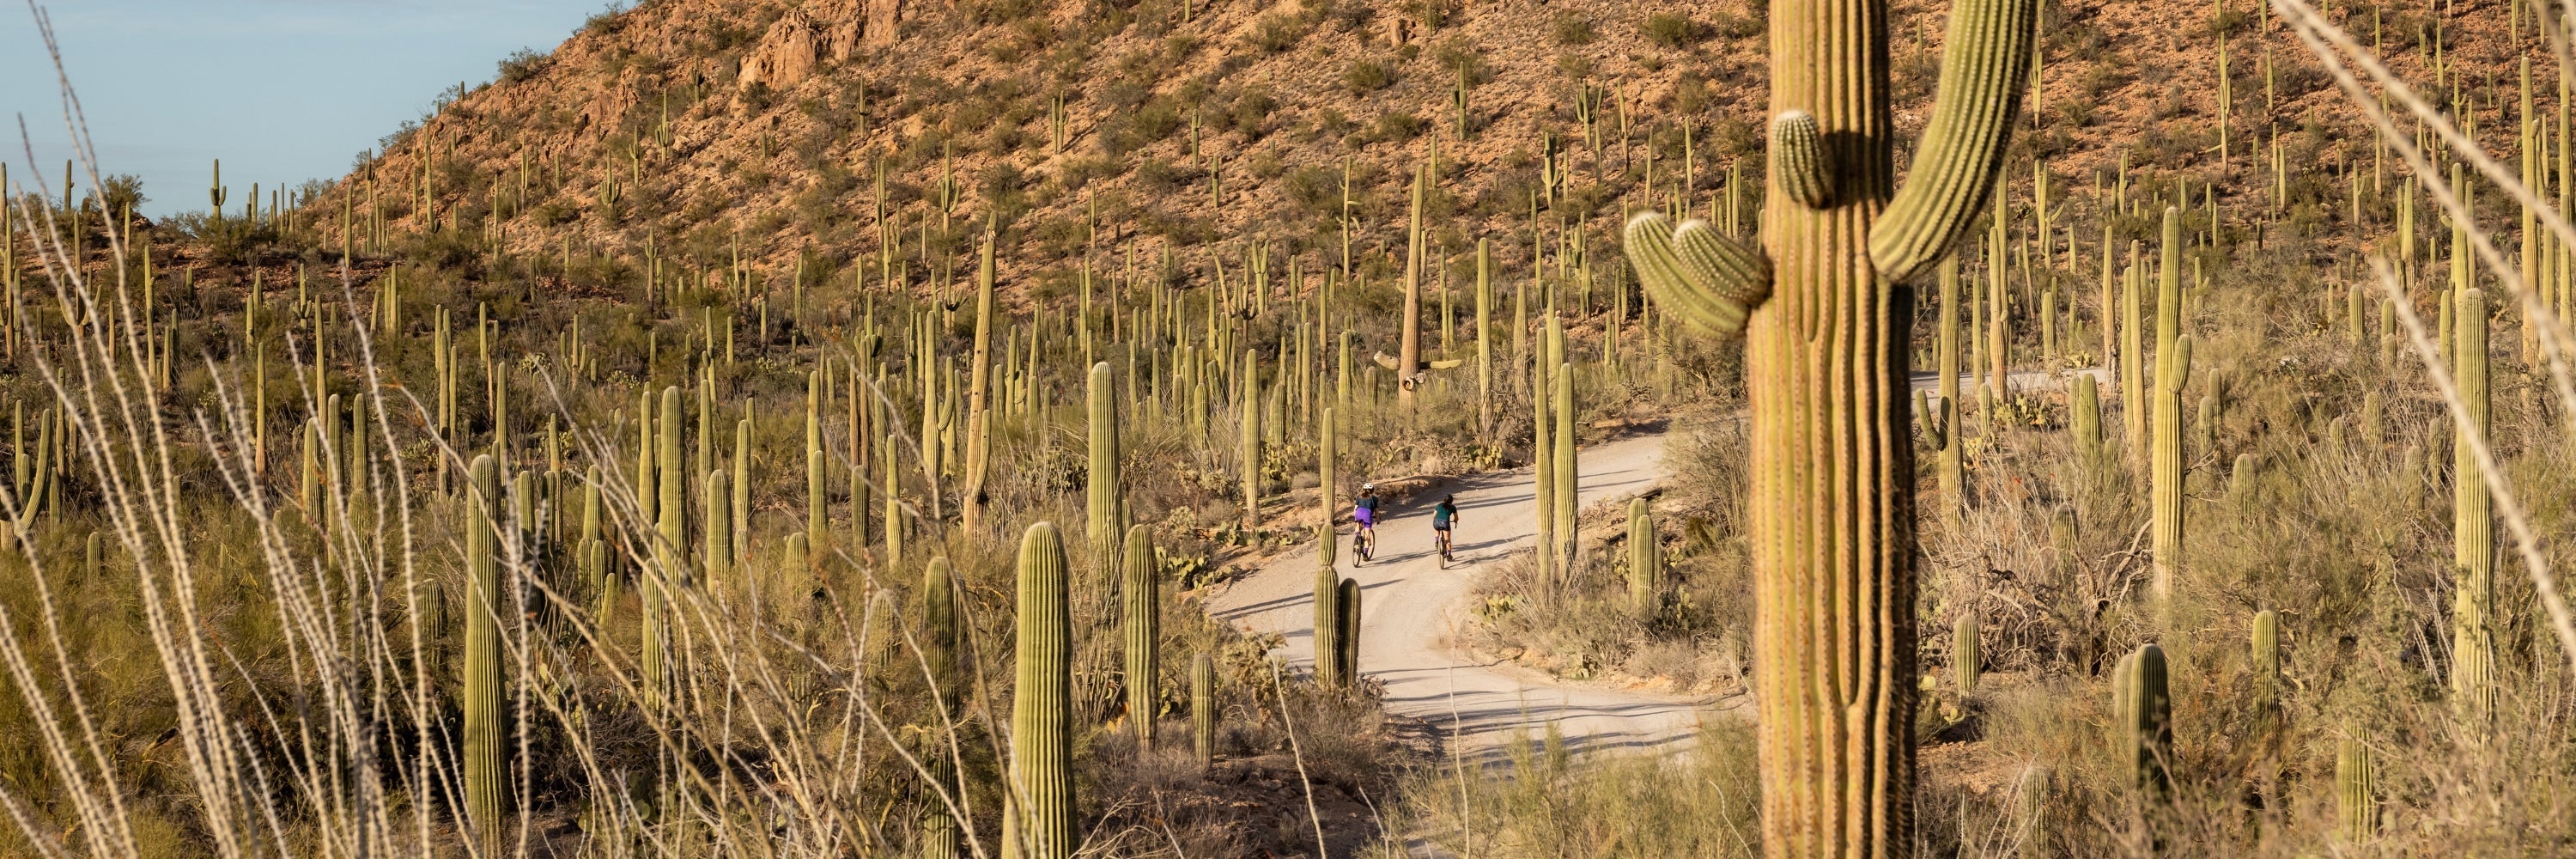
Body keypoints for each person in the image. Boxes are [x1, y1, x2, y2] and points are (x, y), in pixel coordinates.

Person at [1352, 484, 1382, 562]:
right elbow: (1376, 511)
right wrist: (1378, 520)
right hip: (1367, 514)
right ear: (1372, 490)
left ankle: (1357, 537)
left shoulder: (1359, 497)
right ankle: (1365, 554)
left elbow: (1355, 510)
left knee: (1358, 525)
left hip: (1358, 513)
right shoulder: (1374, 499)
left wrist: (1356, 518)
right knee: (1367, 535)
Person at [1431, 494, 1459, 564]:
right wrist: (1455, 521)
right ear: (1452, 501)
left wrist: (1437, 520)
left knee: (1437, 531)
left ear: (1444, 500)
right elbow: (1456, 518)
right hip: (1445, 523)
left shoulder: (1439, 505)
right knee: (1448, 540)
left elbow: (1434, 516)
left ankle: (1437, 541)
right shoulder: (1453, 507)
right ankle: (1449, 556)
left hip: (1436, 522)